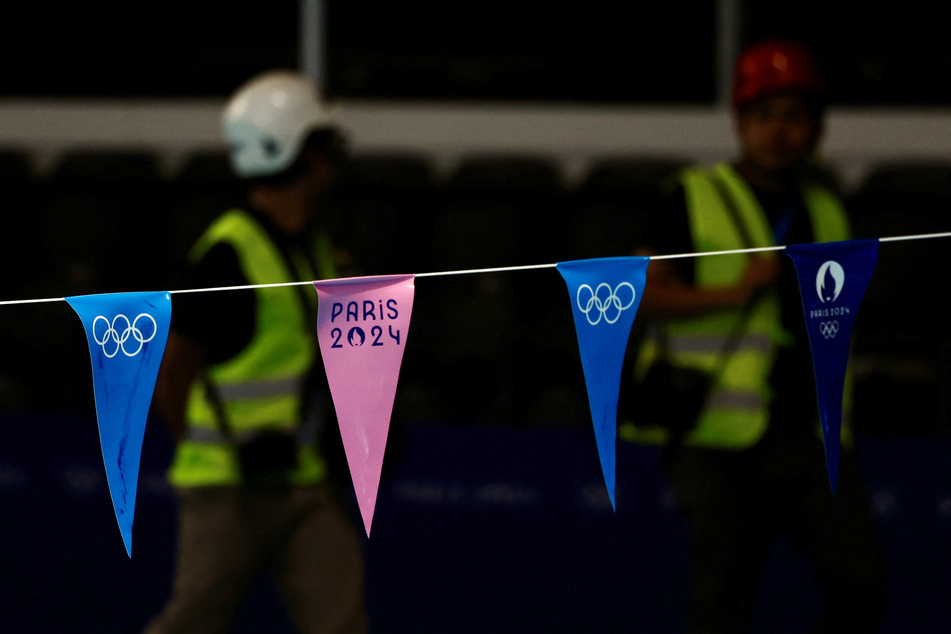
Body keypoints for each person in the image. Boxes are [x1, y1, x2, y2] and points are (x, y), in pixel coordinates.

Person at [620, 39, 890, 633]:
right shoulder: (691, 195)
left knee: (863, 582)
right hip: (715, 434)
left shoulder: (829, 211)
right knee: (722, 604)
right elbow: (641, 298)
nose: (779, 131)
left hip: (808, 434)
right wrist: (734, 292)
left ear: (817, 128)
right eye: (764, 115)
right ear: (740, 123)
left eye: (794, 116)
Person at [144, 70, 368, 634]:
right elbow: (171, 374)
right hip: (228, 489)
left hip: (299, 478)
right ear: (296, 151)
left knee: (339, 619)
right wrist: (211, 453)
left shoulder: (315, 246)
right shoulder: (227, 256)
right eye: (321, 144)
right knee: (193, 622)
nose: (332, 158)